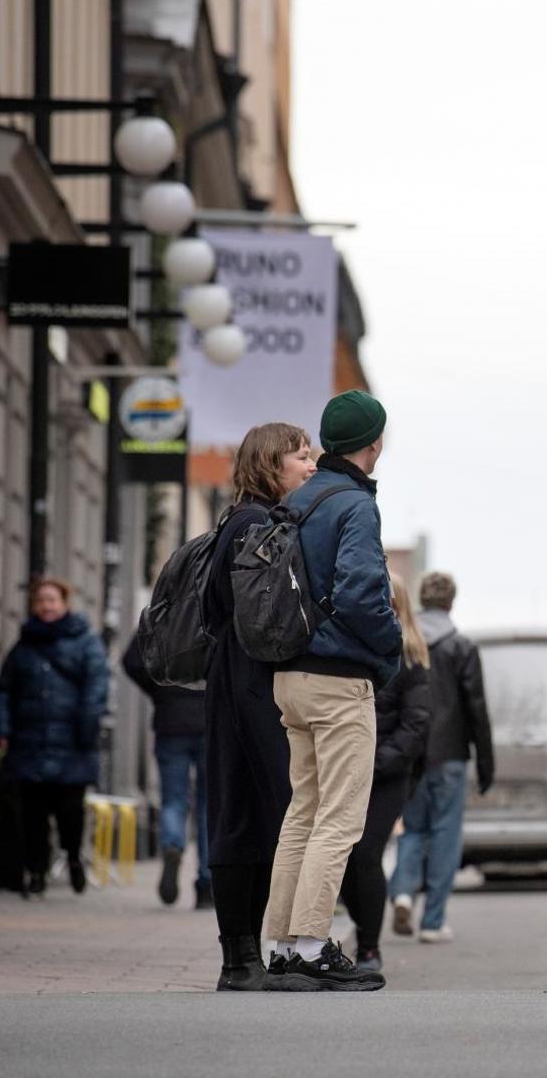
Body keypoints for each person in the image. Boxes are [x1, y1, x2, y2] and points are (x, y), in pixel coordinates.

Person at [264, 390, 401, 993]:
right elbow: (363, 594)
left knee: (302, 814)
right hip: (339, 678)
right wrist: (390, 649)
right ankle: (315, 945)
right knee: (341, 820)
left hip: (288, 675)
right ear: (374, 443)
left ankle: (279, 946)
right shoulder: (354, 505)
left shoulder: (296, 500)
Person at [203, 421, 313, 990]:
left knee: (248, 810)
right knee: (253, 813)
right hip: (250, 677)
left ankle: (246, 957)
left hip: (239, 675)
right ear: (271, 464)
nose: (311, 464)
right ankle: (239, 959)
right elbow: (263, 616)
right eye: (299, 456)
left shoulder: (239, 521)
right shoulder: (254, 524)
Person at [390, 571, 495, 944]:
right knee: (446, 835)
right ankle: (433, 921)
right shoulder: (461, 647)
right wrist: (485, 763)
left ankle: (402, 892)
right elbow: (476, 709)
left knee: (413, 830)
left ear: (421, 598)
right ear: (451, 601)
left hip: (412, 753)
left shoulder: (406, 643)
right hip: (451, 756)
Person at [0, 577, 108, 899]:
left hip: (72, 742)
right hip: (30, 742)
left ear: (64, 603)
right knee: (33, 814)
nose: (46, 606)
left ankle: (73, 857)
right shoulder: (24, 646)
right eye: (41, 600)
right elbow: (4, 690)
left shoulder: (85, 642)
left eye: (52, 600)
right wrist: (2, 729)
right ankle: (36, 872)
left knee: (70, 810)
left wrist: (87, 726)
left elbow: (97, 686)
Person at [339, 575, 429, 972]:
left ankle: (369, 948)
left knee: (366, 854)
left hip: (386, 775)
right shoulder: (350, 651)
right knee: (340, 854)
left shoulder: (411, 659)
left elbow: (416, 724)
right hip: (346, 768)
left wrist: (375, 762)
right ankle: (356, 931)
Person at [120, 637, 210, 908]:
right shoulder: (216, 605)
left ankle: (173, 845)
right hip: (210, 720)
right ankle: (206, 884)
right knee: (210, 805)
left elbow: (132, 660)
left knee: (173, 799)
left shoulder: (165, 608)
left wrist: (160, 687)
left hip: (170, 720)